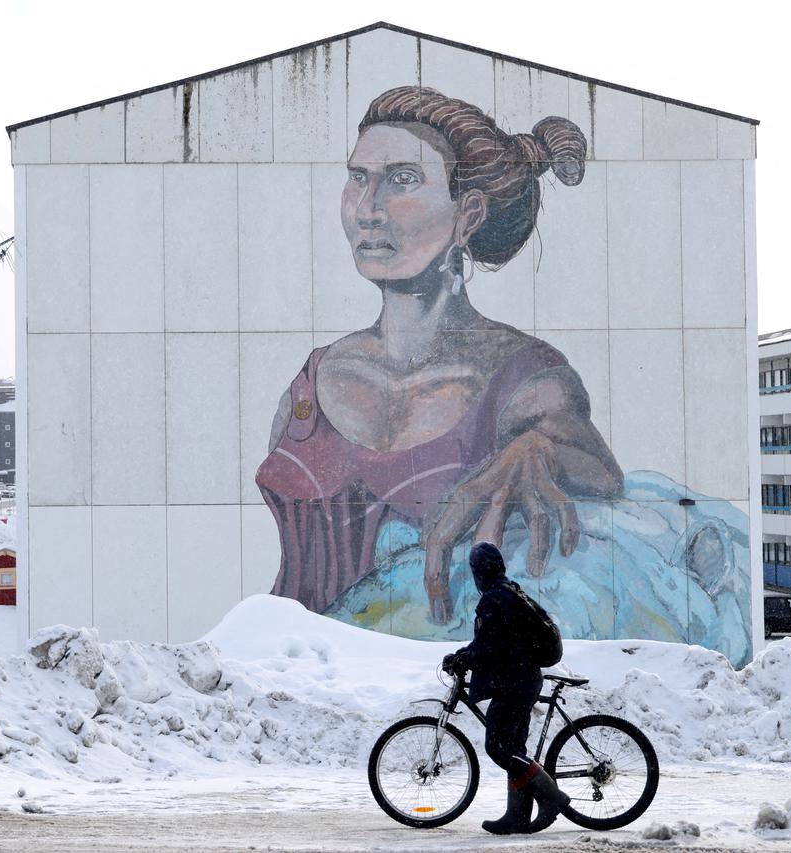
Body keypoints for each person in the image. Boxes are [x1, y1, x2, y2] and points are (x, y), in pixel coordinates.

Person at [256, 86, 623, 625]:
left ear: (468, 213)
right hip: (300, 682)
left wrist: (536, 449)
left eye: (402, 180)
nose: (368, 209)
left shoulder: (522, 374)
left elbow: (600, 470)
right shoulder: (312, 380)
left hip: (430, 679)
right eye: (358, 178)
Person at [442, 542, 567, 834]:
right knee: (514, 748)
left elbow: (489, 647)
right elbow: (493, 641)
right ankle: (517, 817)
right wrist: (465, 654)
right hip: (522, 678)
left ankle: (551, 798)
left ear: (478, 572)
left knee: (498, 747)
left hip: (514, 683)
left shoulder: (494, 599)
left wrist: (465, 659)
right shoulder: (508, 591)